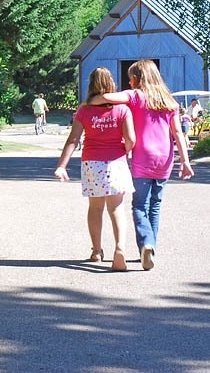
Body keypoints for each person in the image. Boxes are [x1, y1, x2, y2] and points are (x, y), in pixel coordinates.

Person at [90, 60, 194, 271]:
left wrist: (94, 99)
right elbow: (178, 135)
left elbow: (108, 97)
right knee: (155, 206)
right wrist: (185, 161)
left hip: (142, 158)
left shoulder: (135, 95)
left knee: (139, 205)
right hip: (165, 158)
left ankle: (146, 243)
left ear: (137, 79)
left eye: (130, 78)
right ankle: (150, 247)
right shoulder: (169, 102)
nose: (129, 82)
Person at [53, 68, 135, 271]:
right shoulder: (123, 110)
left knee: (95, 208)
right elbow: (131, 139)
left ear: (91, 85)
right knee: (116, 209)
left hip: (92, 164)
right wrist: (124, 149)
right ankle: (120, 249)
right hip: (116, 162)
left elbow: (73, 139)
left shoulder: (84, 110)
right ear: (111, 85)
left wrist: (62, 166)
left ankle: (97, 251)